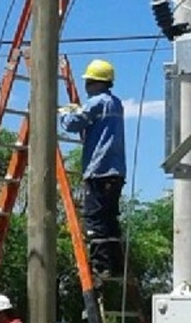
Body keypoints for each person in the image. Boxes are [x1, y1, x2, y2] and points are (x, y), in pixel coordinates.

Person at [60, 59, 126, 281]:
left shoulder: (96, 103)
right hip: (116, 171)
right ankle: (116, 265)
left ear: (97, 82)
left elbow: (73, 124)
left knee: (95, 221)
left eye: (88, 82)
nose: (86, 86)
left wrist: (64, 113)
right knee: (110, 220)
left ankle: (101, 267)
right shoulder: (116, 103)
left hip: (99, 169)